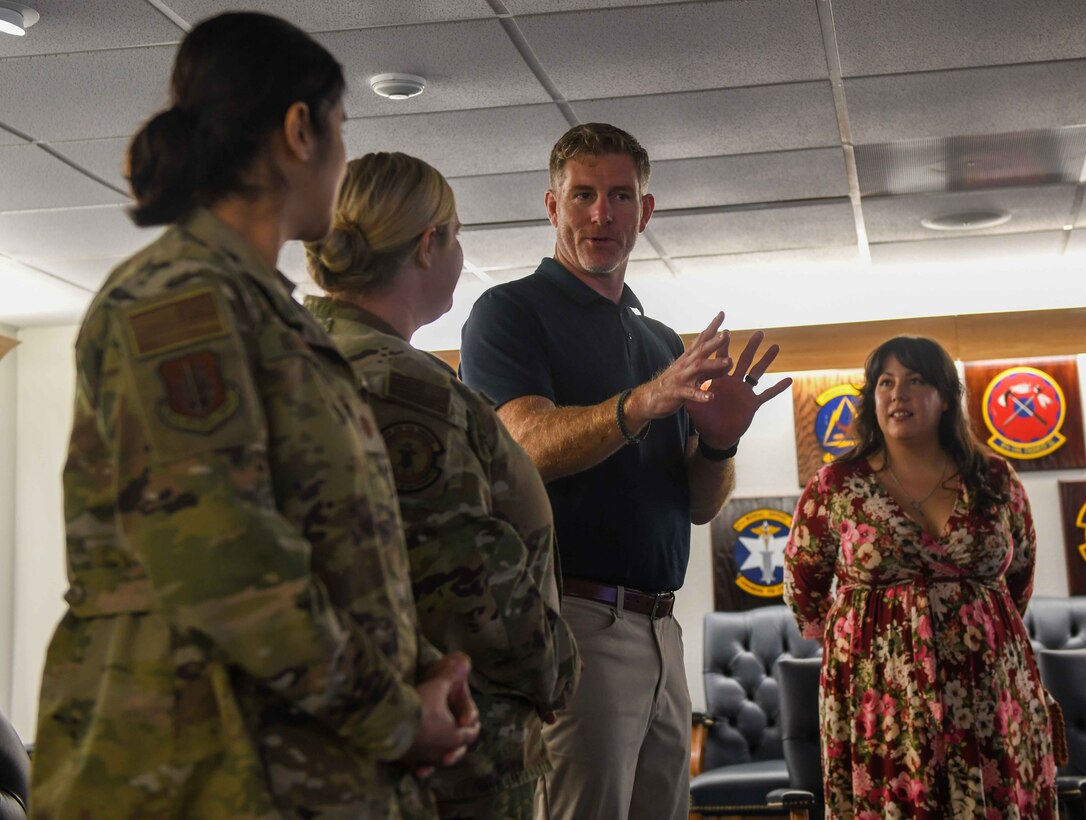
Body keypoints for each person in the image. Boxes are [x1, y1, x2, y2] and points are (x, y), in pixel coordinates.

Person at [30, 14, 478, 819]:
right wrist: (396, 716)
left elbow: (330, 542)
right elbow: (225, 562)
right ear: (300, 131)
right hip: (202, 771)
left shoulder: (269, 313)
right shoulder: (179, 300)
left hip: (287, 762)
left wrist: (416, 674)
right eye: (341, 128)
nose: (342, 157)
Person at [458, 122, 791, 820]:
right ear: (553, 206)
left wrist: (720, 444)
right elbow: (526, 444)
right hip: (573, 623)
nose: (601, 214)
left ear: (645, 211)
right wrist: (643, 402)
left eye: (619, 196)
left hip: (662, 628)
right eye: (583, 195)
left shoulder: (660, 341)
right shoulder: (508, 312)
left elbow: (698, 507)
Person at [304, 152, 581, 820]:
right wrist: (555, 668)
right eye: (455, 234)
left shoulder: (290, 359)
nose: (458, 251)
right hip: (451, 747)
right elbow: (461, 577)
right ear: (429, 245)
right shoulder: (404, 390)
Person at [784, 336, 1057, 818]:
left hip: (990, 684)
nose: (898, 394)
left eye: (915, 380)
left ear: (946, 397)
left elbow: (1018, 580)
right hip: (880, 691)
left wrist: (971, 620)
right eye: (885, 382)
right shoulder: (835, 485)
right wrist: (869, 642)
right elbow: (803, 588)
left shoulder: (995, 479)